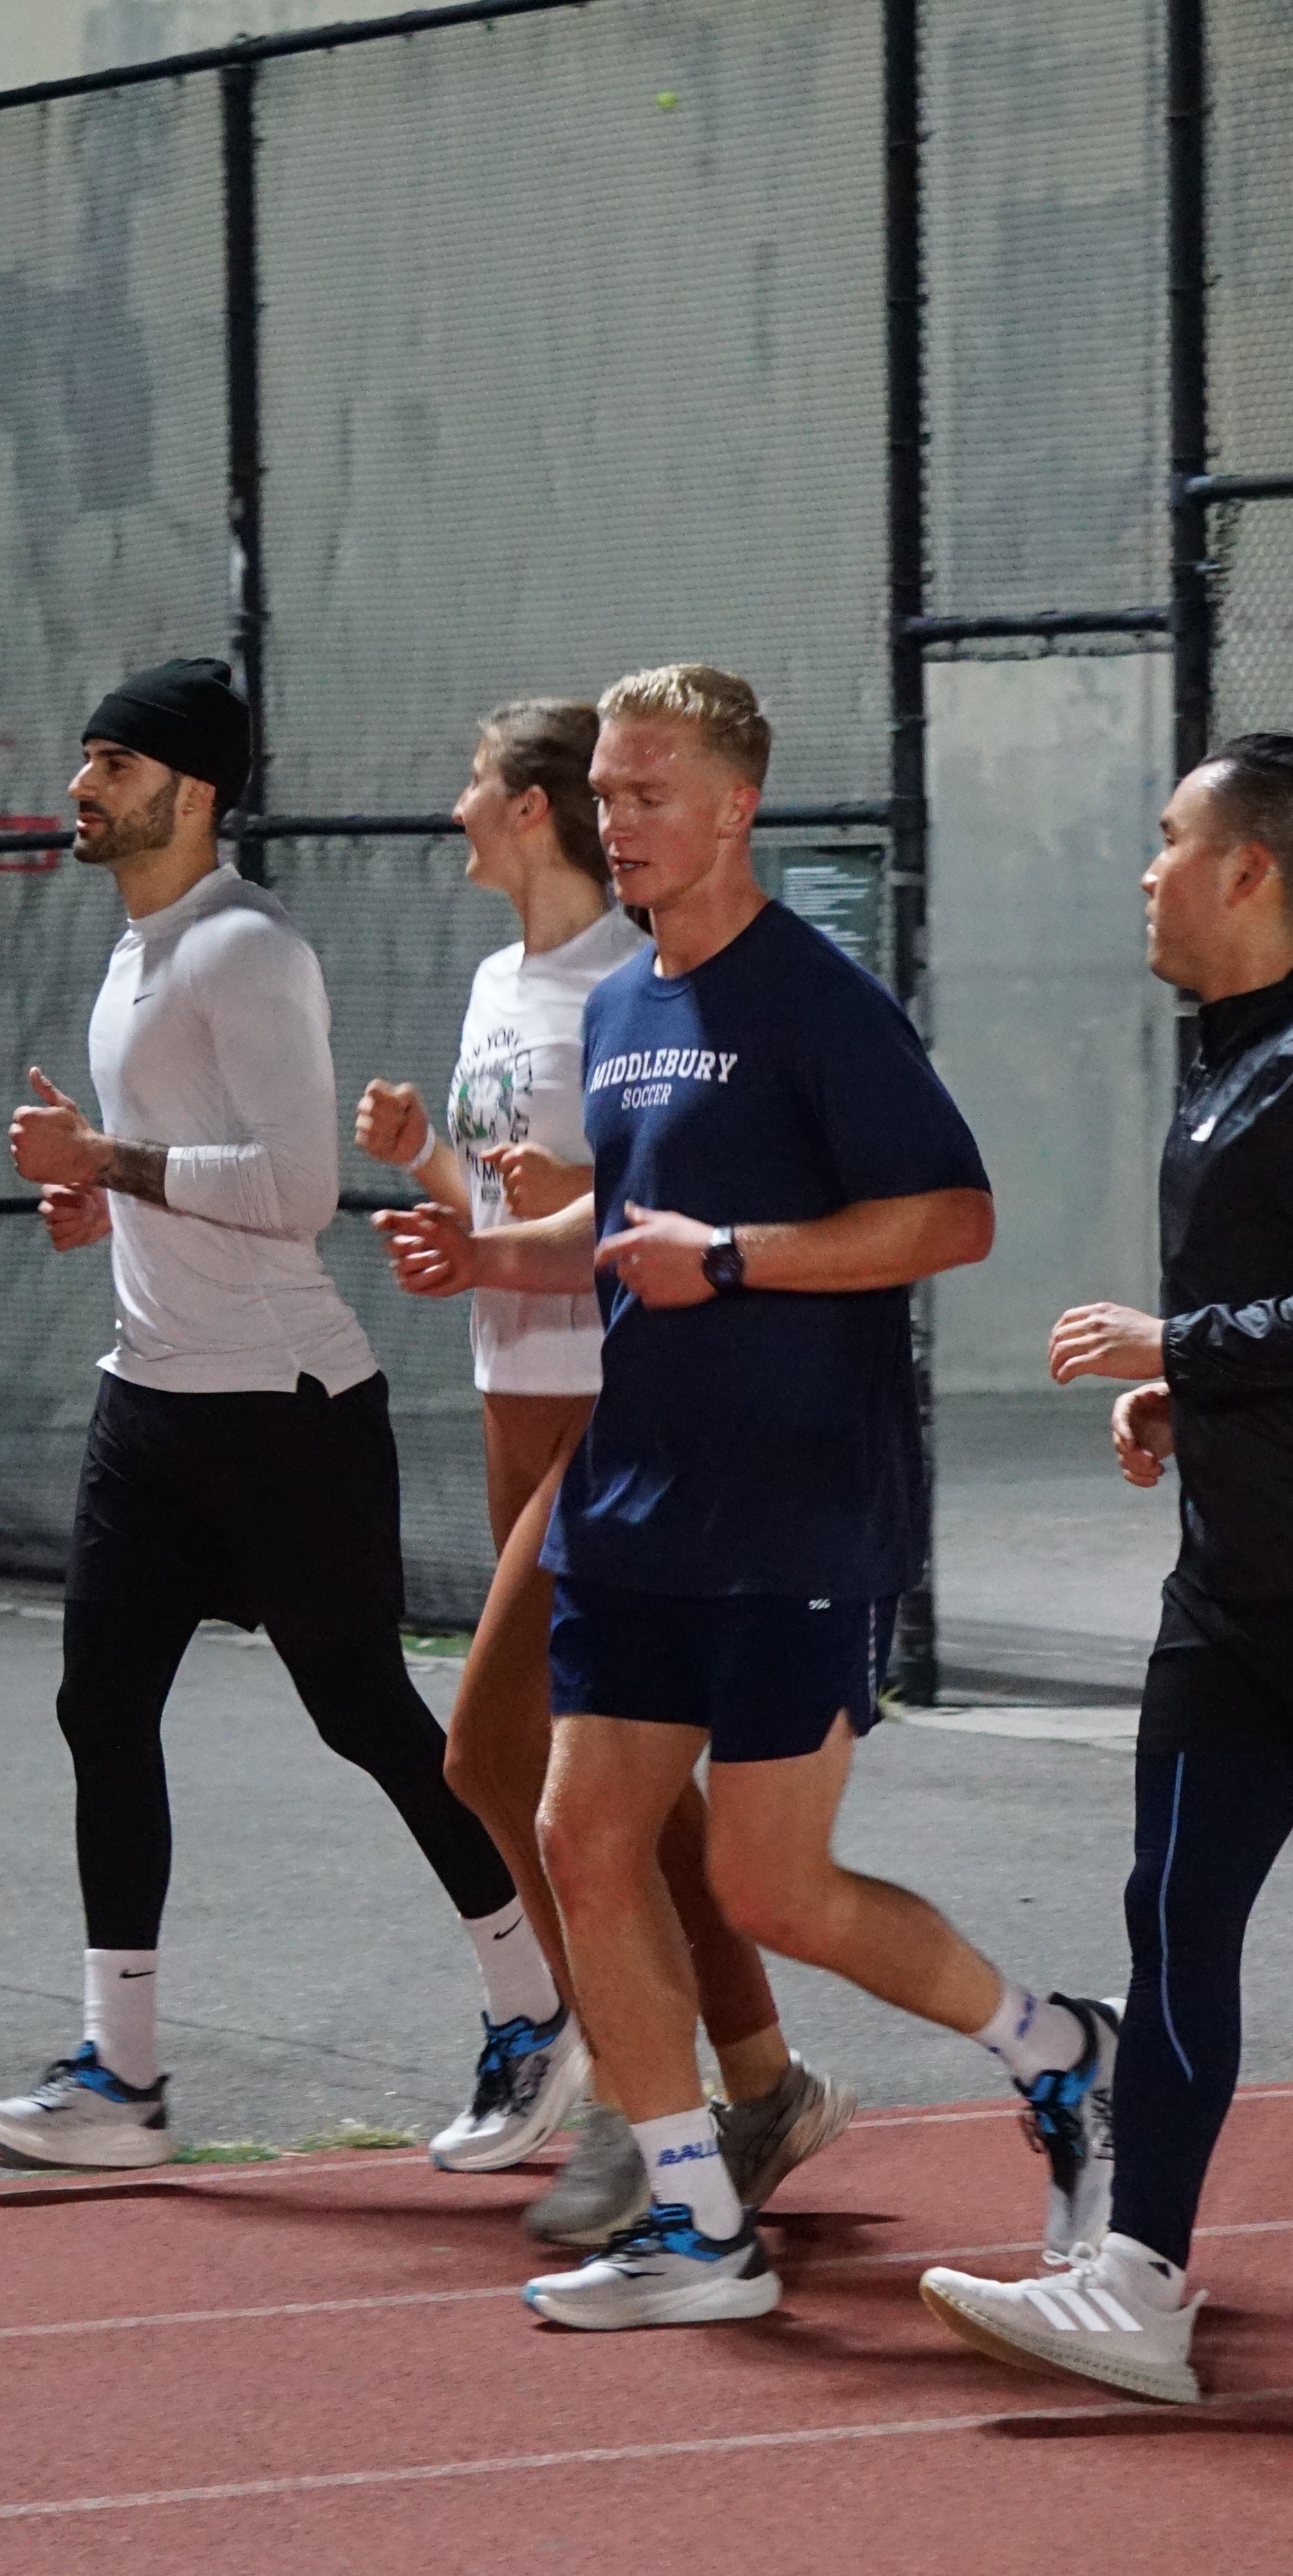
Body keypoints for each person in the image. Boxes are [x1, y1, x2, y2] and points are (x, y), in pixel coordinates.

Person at [378, 662, 1113, 2335]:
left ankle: (1058, 2048)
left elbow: (951, 1219)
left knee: (772, 1888)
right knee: (581, 1834)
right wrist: (494, 1248)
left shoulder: (816, 1000)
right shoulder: (623, 1004)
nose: (619, 823)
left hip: (793, 1507)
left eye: (649, 795)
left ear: (735, 807)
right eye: (608, 795)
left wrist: (736, 1260)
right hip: (632, 1496)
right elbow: (629, 1221)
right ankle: (697, 2224)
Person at [0, 656, 547, 2171]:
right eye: (84, 759)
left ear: (191, 788)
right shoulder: (137, 953)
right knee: (101, 1708)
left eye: (111, 762)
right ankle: (121, 2077)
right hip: (150, 1398)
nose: (81, 785)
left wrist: (109, 1158)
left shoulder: (245, 951)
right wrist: (103, 1195)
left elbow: (290, 1195)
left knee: (366, 1715)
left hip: (285, 1408)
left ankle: (532, 2003)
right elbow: (176, 1165)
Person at [915, 736, 1293, 2404]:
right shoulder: (1222, 1062)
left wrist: (1179, 1342)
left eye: (1166, 839)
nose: (1142, 869)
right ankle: (1139, 2281)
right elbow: (1285, 1328)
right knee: (1172, 1917)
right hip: (1233, 1593)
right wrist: (1184, 1395)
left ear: (1250, 871)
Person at [353, 699, 850, 2238]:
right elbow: (533, 1205)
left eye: (477, 782)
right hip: (519, 1387)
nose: (453, 806)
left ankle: (643, 2097)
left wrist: (579, 1210)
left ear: (535, 810)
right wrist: (448, 1193)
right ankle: (750, 2080)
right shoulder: (513, 979)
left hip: (610, 1407)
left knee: (501, 1761)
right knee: (626, 1798)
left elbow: (642, 1213)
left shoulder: (631, 991)